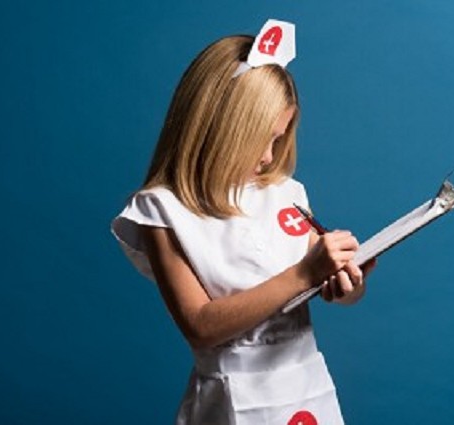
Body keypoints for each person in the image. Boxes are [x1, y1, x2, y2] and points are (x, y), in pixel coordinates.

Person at [111, 19, 376, 425]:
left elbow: (329, 284)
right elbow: (199, 326)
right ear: (217, 127)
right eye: (260, 139)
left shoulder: (286, 193)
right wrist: (304, 273)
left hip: (304, 389)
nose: (269, 157)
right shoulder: (162, 210)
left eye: (278, 139)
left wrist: (347, 281)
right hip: (231, 401)